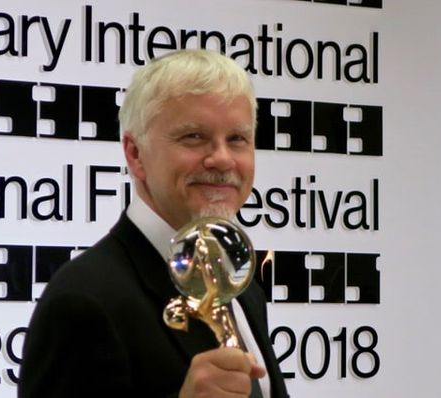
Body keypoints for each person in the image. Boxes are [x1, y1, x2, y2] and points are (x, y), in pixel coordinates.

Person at [18, 49, 289, 398]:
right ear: (135, 153)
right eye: (193, 136)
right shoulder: (83, 301)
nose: (222, 158)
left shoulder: (242, 287)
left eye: (237, 139)